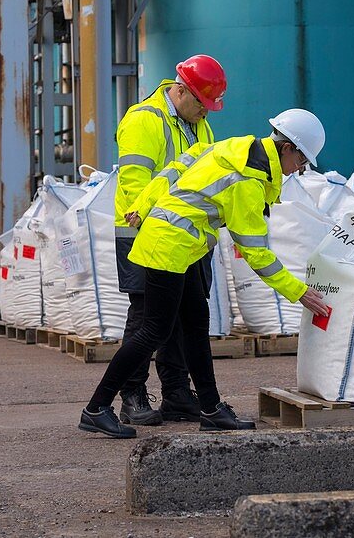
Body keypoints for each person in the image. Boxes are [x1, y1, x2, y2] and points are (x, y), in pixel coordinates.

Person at [79, 108, 332, 438]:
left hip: (180, 247)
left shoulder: (235, 147)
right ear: (286, 148)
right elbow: (255, 251)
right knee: (153, 331)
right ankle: (97, 408)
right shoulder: (249, 181)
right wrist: (298, 291)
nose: (300, 168)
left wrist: (143, 205)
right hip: (168, 247)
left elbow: (177, 165)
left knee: (197, 325)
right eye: (302, 160)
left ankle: (211, 409)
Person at [112, 54, 227, 427]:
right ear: (181, 91)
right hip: (145, 231)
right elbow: (134, 182)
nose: (206, 114)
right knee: (148, 315)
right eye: (202, 105)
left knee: (185, 313)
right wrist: (151, 222)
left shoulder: (200, 125)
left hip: (187, 236)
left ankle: (177, 393)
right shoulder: (144, 120)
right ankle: (131, 396)